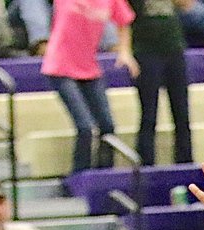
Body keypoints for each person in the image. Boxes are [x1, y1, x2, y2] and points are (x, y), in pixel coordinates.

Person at [41, 0, 139, 175]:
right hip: (60, 67)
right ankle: (79, 177)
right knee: (86, 128)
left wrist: (125, 51)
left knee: (108, 127)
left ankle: (104, 176)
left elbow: (124, 21)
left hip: (89, 68)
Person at [130, 0, 192, 168]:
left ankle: (185, 165)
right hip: (145, 50)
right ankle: (146, 166)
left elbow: (187, 4)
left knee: (182, 113)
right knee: (149, 114)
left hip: (174, 48)